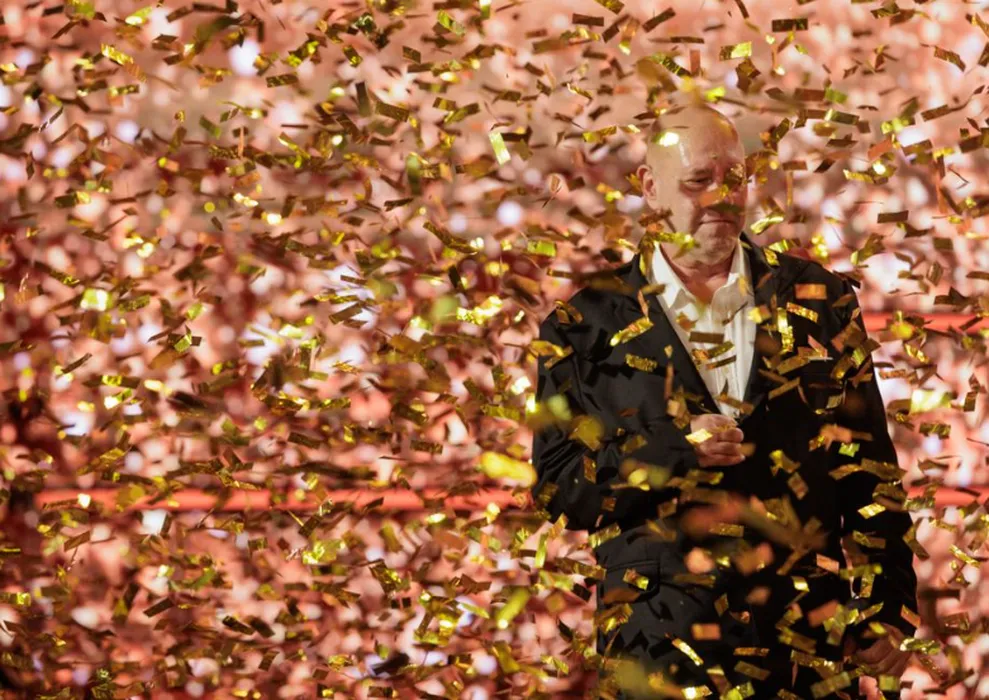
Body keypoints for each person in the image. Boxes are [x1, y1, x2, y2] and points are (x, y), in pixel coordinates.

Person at [530, 101, 918, 699]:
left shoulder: (820, 300)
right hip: (658, 654)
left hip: (805, 649)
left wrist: (886, 606)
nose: (721, 197)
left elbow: (869, 469)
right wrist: (670, 453)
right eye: (698, 181)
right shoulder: (583, 323)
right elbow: (558, 488)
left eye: (734, 178)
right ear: (650, 187)